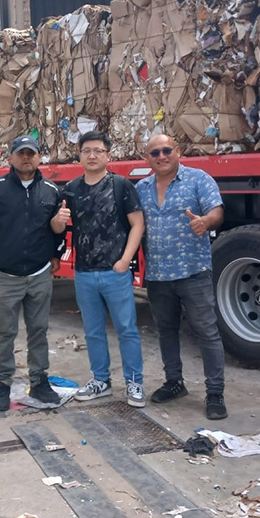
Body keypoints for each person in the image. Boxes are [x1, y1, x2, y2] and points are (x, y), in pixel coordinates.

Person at [0, 135, 63, 411]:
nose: (26, 158)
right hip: (5, 276)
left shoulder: (51, 191)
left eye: (31, 153)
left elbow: (58, 227)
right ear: (11, 158)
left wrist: (56, 255)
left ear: (39, 157)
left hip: (39, 274)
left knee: (38, 330)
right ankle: (2, 385)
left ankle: (39, 381)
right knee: (5, 332)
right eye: (21, 153)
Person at [50, 130, 146, 407]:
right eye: (86, 151)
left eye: (98, 151)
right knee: (93, 331)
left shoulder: (121, 185)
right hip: (84, 272)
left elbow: (137, 224)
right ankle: (100, 380)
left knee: (126, 329)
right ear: (79, 156)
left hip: (115, 272)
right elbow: (56, 228)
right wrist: (58, 219)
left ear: (108, 155)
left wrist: (125, 260)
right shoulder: (71, 189)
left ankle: (135, 382)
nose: (92, 155)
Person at [135, 134, 228, 420]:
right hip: (158, 274)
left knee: (207, 332)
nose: (161, 156)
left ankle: (215, 393)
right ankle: (174, 382)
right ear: (147, 158)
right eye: (154, 153)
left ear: (177, 151)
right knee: (166, 330)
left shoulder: (198, 179)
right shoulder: (141, 188)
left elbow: (217, 211)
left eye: (166, 150)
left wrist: (205, 221)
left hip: (192, 271)